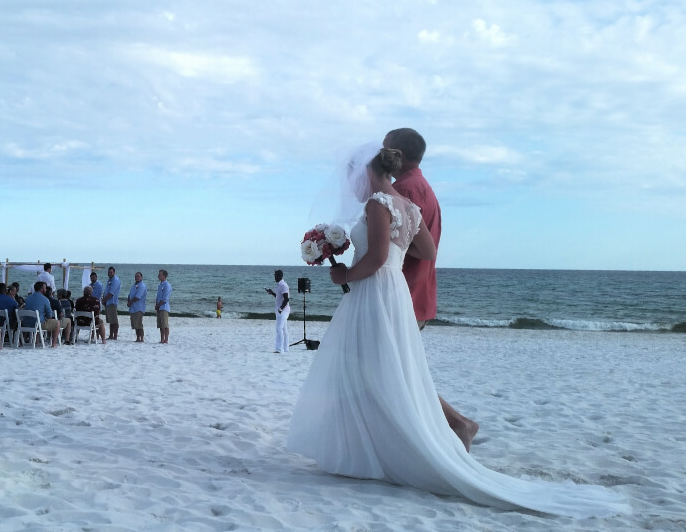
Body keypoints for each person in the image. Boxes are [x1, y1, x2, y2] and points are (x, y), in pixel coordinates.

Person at [287, 147, 628, 517]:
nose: (349, 185)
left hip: (373, 290)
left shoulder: (377, 202)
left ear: (367, 172)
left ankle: (383, 448)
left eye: (352, 176)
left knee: (368, 367)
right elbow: (428, 250)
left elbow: (376, 258)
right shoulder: (410, 207)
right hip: (394, 291)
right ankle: (378, 442)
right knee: (384, 367)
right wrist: (398, 249)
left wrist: (344, 274)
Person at [386, 127, 479, 451]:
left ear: (397, 153)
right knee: (398, 371)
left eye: (386, 148)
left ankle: (458, 424)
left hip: (405, 292)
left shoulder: (406, 190)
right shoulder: (419, 186)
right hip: (417, 290)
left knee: (400, 373)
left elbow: (413, 245)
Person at [23, 281, 61, 347]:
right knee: (57, 323)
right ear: (41, 289)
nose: (46, 289)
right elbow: (49, 315)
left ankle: (37, 341)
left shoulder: (28, 298)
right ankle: (53, 344)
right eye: (45, 288)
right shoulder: (45, 299)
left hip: (26, 323)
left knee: (39, 319)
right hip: (38, 324)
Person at [265, 270, 290, 353]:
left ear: (280, 276)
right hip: (280, 310)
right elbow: (279, 297)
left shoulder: (283, 285)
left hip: (283, 310)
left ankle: (279, 349)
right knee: (284, 330)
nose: (274, 277)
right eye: (274, 275)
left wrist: (281, 309)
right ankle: (286, 348)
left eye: (276, 275)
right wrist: (272, 293)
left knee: (279, 328)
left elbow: (286, 299)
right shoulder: (279, 285)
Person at [127, 272, 147, 342]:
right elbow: (130, 295)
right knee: (135, 324)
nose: (136, 278)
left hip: (139, 308)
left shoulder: (142, 286)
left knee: (139, 324)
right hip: (133, 308)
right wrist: (128, 301)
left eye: (138, 276)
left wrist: (130, 302)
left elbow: (138, 297)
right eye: (135, 276)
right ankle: (137, 338)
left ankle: (141, 338)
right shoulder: (134, 285)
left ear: (141, 277)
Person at [102, 267, 121, 340]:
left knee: (114, 320)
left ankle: (115, 336)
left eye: (111, 272)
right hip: (108, 303)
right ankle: (111, 335)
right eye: (108, 272)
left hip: (112, 302)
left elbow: (111, 293)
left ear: (114, 272)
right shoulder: (109, 280)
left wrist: (104, 300)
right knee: (110, 320)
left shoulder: (115, 280)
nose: (109, 273)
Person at [154, 269, 172, 344]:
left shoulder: (167, 285)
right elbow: (158, 296)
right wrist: (156, 304)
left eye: (160, 274)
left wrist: (158, 305)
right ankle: (162, 339)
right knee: (161, 325)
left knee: (165, 325)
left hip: (164, 307)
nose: (158, 276)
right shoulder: (160, 285)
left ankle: (166, 339)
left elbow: (165, 298)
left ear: (164, 276)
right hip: (159, 307)